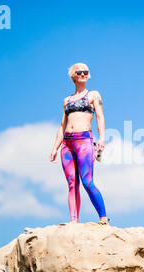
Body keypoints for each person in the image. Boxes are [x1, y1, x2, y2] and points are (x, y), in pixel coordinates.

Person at [49, 63, 108, 225]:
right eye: (79, 71)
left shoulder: (93, 95)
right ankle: (73, 221)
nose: (83, 74)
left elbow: (100, 117)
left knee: (87, 181)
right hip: (67, 144)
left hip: (84, 141)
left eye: (86, 72)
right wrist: (55, 147)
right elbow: (62, 125)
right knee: (72, 183)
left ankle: (103, 218)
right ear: (73, 76)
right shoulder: (66, 100)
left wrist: (102, 138)